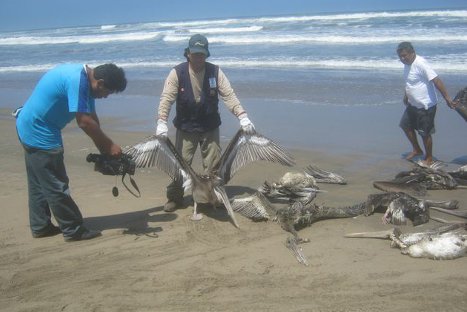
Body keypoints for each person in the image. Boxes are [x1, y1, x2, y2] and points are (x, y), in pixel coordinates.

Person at [15, 63, 127, 241]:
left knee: (39, 181)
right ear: (101, 83)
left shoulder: (85, 80)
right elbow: (84, 122)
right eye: (108, 92)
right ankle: (73, 229)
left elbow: (92, 119)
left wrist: (104, 151)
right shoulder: (78, 81)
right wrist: (110, 146)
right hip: (39, 131)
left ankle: (40, 226)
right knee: (56, 183)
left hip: (29, 124)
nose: (106, 97)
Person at [155, 34, 256, 212]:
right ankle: (175, 198)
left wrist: (242, 115)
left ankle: (214, 197)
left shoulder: (216, 72)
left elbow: (229, 95)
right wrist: (161, 121)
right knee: (181, 164)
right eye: (195, 54)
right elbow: (166, 99)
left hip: (210, 126)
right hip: (186, 127)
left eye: (202, 54)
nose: (198, 58)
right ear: (188, 53)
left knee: (214, 166)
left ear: (207, 54)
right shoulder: (177, 72)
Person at [396, 41, 455, 166]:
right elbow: (410, 83)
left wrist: (447, 98)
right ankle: (417, 150)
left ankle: (429, 158)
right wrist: (406, 97)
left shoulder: (421, 63)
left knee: (425, 133)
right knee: (405, 125)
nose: (402, 58)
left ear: (413, 53)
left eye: (405, 55)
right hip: (413, 105)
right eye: (400, 56)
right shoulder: (407, 64)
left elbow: (436, 80)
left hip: (425, 106)